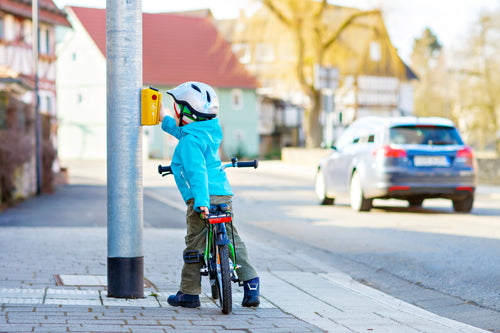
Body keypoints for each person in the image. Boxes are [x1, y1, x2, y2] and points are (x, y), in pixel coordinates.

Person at [158, 81, 260, 308]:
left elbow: (197, 172)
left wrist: (202, 202)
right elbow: (183, 131)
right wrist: (163, 120)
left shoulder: (188, 144)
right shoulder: (208, 132)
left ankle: (189, 293)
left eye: (176, 108)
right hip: (223, 194)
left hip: (201, 197)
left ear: (186, 113)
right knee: (232, 237)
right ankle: (251, 283)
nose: (174, 111)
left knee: (195, 241)